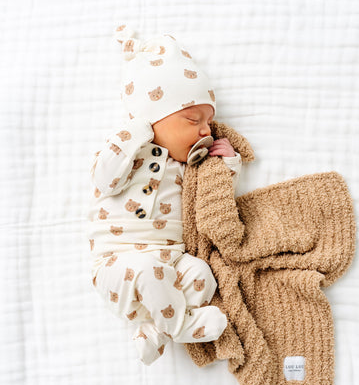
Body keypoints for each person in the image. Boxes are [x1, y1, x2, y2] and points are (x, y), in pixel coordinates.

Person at [86, 25, 242, 365]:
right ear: (154, 116)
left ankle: (155, 330)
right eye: (192, 118)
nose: (205, 129)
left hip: (170, 259)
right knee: (146, 270)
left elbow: (213, 194)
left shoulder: (184, 167)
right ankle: (181, 325)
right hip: (118, 263)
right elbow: (105, 180)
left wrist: (228, 161)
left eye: (208, 122)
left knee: (201, 274)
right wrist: (137, 129)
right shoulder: (127, 150)